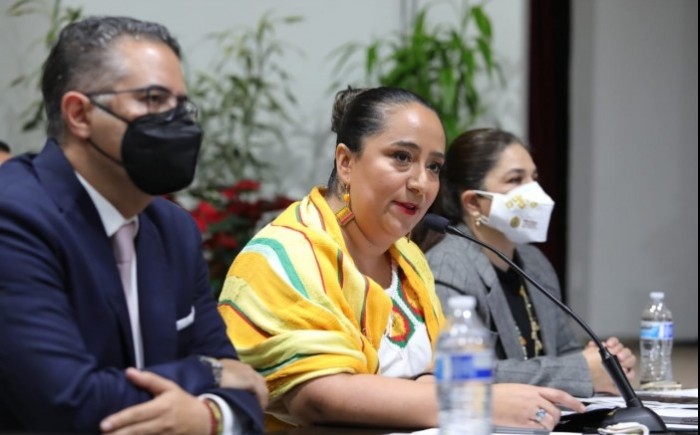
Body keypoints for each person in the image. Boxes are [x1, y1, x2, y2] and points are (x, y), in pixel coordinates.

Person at [218, 87, 584, 431]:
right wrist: (478, 404)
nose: (421, 183)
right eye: (402, 158)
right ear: (346, 162)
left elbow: (433, 373)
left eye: (434, 166)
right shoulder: (284, 254)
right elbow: (317, 396)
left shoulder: (408, 258)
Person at [0, 16, 267, 434]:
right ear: (80, 114)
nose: (178, 121)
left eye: (181, 105)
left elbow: (246, 391)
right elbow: (67, 403)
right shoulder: (15, 217)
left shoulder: (175, 230)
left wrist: (208, 418)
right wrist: (206, 373)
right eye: (154, 99)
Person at [415, 128, 636, 397]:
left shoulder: (534, 261)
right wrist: (579, 371)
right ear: (473, 203)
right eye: (515, 180)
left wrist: (602, 362)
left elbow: (565, 350)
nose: (533, 191)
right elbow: (459, 368)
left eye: (534, 178)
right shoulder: (449, 265)